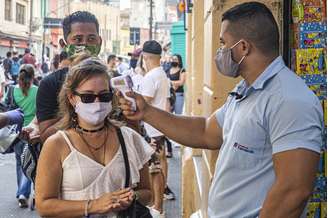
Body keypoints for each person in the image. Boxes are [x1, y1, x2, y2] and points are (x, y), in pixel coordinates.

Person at [119, 2, 323, 217]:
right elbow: (206, 131)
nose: (220, 52)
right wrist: (148, 112)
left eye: (223, 43)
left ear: (243, 47)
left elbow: (293, 192)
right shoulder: (246, 89)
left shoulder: (290, 100)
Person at [35, 56, 153, 217]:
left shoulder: (130, 138)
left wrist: (131, 197)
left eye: (104, 96)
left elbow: (147, 193)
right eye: (88, 97)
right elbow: (44, 206)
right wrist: (93, 205)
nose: (97, 103)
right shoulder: (57, 144)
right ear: (71, 98)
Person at [36, 11, 102, 143]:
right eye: (78, 39)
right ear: (64, 45)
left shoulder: (114, 82)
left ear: (99, 42)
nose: (85, 45)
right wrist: (81, 112)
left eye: (91, 39)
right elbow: (45, 137)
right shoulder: (50, 84)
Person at [139, 40, 173, 217]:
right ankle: (159, 206)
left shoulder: (150, 77)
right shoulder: (162, 75)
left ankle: (157, 207)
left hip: (152, 128)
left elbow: (143, 103)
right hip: (159, 126)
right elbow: (167, 103)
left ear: (145, 57)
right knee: (159, 165)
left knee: (154, 168)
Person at [11, 64, 38, 208]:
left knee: (19, 163)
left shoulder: (12, 90)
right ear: (33, 76)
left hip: (16, 133)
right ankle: (24, 192)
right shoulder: (37, 91)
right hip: (32, 132)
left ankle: (21, 193)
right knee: (30, 162)